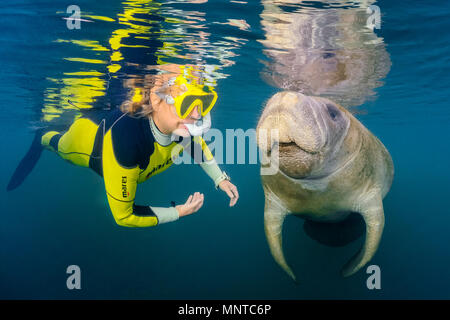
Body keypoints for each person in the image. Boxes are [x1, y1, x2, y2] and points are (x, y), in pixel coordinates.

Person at [7, 65, 239, 227]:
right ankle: (41, 135)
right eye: (187, 104)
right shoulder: (127, 140)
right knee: (58, 143)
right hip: (85, 142)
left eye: (203, 103)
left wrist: (220, 178)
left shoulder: (180, 128)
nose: (197, 114)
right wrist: (178, 212)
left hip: (116, 115)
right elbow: (124, 216)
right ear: (157, 100)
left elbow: (195, 142)